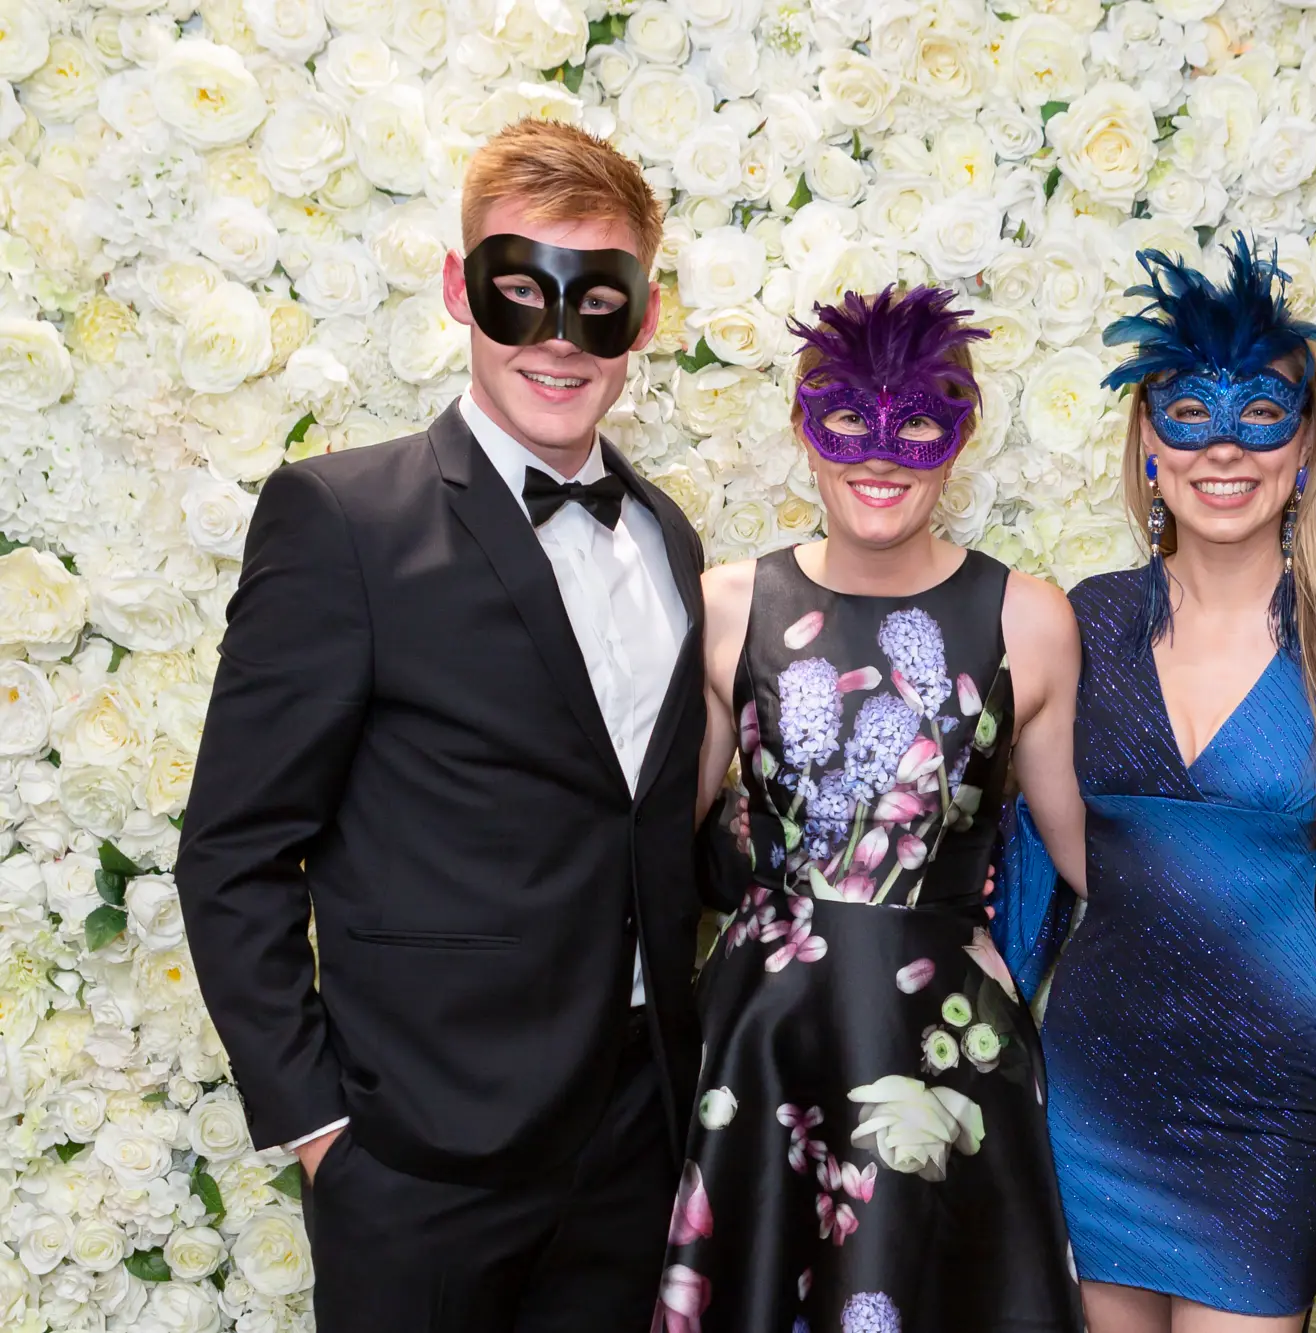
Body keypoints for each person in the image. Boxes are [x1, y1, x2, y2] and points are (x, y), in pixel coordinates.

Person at [177, 120, 706, 1332]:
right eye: (523, 295)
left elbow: (645, 824)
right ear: (462, 291)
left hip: (633, 1139)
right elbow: (234, 850)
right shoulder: (342, 520)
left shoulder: (666, 538)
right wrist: (326, 1136)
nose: (560, 341)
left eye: (598, 302)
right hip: (420, 1164)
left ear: (645, 315)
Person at [659, 285, 1088, 1333]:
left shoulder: (1027, 617)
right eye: (848, 418)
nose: (880, 453)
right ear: (806, 428)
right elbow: (655, 844)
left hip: (941, 1046)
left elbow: (1086, 853)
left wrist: (1270, 927)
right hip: (766, 1039)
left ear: (961, 437)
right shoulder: (727, 606)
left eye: (920, 421)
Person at [1011, 238, 1316, 1333]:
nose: (1223, 447)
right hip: (1092, 1095)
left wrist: (1289, 922)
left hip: (1260, 1116)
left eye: (1261, 414)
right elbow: (1032, 857)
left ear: (1306, 444)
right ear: (1145, 442)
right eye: (1188, 412)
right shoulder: (1082, 622)